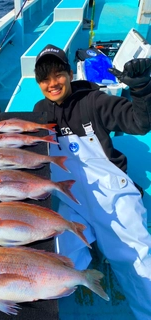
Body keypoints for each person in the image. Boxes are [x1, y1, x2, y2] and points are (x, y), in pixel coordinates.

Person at [33, 44, 151, 320]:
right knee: (53, 255)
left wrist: (141, 89)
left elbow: (139, 123)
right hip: (69, 199)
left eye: (58, 74)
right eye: (45, 78)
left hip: (111, 192)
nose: (53, 83)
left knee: (137, 256)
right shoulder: (40, 111)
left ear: (70, 73)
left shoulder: (94, 101)